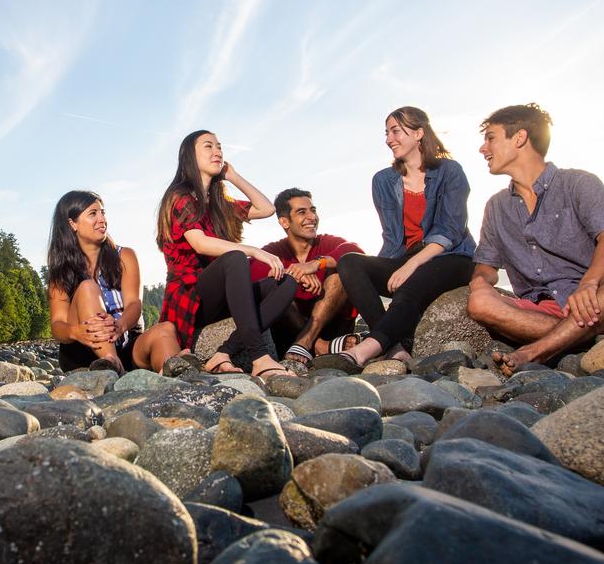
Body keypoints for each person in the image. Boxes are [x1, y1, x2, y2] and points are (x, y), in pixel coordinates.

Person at [464, 103, 604, 375]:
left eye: (491, 138)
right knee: (479, 302)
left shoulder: (579, 183)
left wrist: (590, 284)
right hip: (545, 311)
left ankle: (538, 350)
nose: (483, 148)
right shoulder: (496, 207)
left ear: (519, 137)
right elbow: (487, 266)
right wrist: (481, 281)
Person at [333, 107, 477, 367]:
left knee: (411, 283)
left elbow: (451, 231)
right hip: (406, 255)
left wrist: (411, 265)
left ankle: (368, 348)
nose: (389, 139)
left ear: (419, 133)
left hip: (451, 256)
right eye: (387, 132)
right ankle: (395, 347)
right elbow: (392, 237)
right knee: (350, 262)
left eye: (396, 131)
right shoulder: (383, 180)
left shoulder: (450, 171)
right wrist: (381, 270)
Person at [154, 129, 295, 378]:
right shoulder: (180, 197)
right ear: (190, 156)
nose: (217, 151)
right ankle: (259, 356)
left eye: (219, 146)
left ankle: (224, 352)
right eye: (208, 146)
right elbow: (200, 243)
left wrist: (234, 176)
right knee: (235, 258)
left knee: (286, 282)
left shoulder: (218, 202)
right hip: (191, 296)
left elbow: (267, 208)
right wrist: (253, 250)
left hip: (219, 294)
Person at [248, 188, 364, 364]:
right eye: (302, 212)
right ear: (285, 222)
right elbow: (252, 270)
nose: (312, 217)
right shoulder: (275, 250)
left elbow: (355, 251)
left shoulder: (326, 242)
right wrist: (293, 274)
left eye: (313, 210)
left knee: (341, 272)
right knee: (274, 284)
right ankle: (319, 345)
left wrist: (316, 263)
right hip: (291, 333)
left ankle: (308, 341)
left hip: (333, 328)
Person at [45, 190, 144, 374]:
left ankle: (181, 379)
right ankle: (111, 362)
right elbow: (57, 324)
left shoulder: (125, 256)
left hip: (126, 341)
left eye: (102, 212)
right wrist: (76, 331)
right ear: (72, 224)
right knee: (88, 288)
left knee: (165, 330)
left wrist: (119, 325)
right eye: (93, 213)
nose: (102, 219)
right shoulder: (61, 272)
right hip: (82, 351)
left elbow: (134, 304)